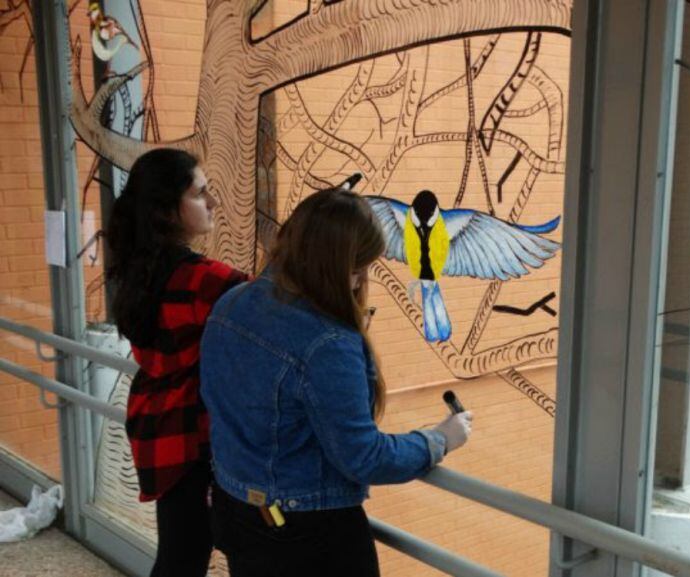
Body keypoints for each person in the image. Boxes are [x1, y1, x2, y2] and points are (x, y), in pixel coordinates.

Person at [200, 187, 473, 577]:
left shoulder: (232, 304)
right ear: (336, 263)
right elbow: (362, 456)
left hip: (239, 509)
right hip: (307, 534)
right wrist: (440, 440)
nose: (361, 278)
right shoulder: (326, 343)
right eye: (359, 266)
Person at [106, 148, 248, 577]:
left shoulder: (136, 268)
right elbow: (271, 314)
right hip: (195, 438)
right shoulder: (205, 278)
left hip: (158, 430)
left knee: (180, 553)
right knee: (191, 559)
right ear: (168, 211)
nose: (213, 203)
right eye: (201, 193)